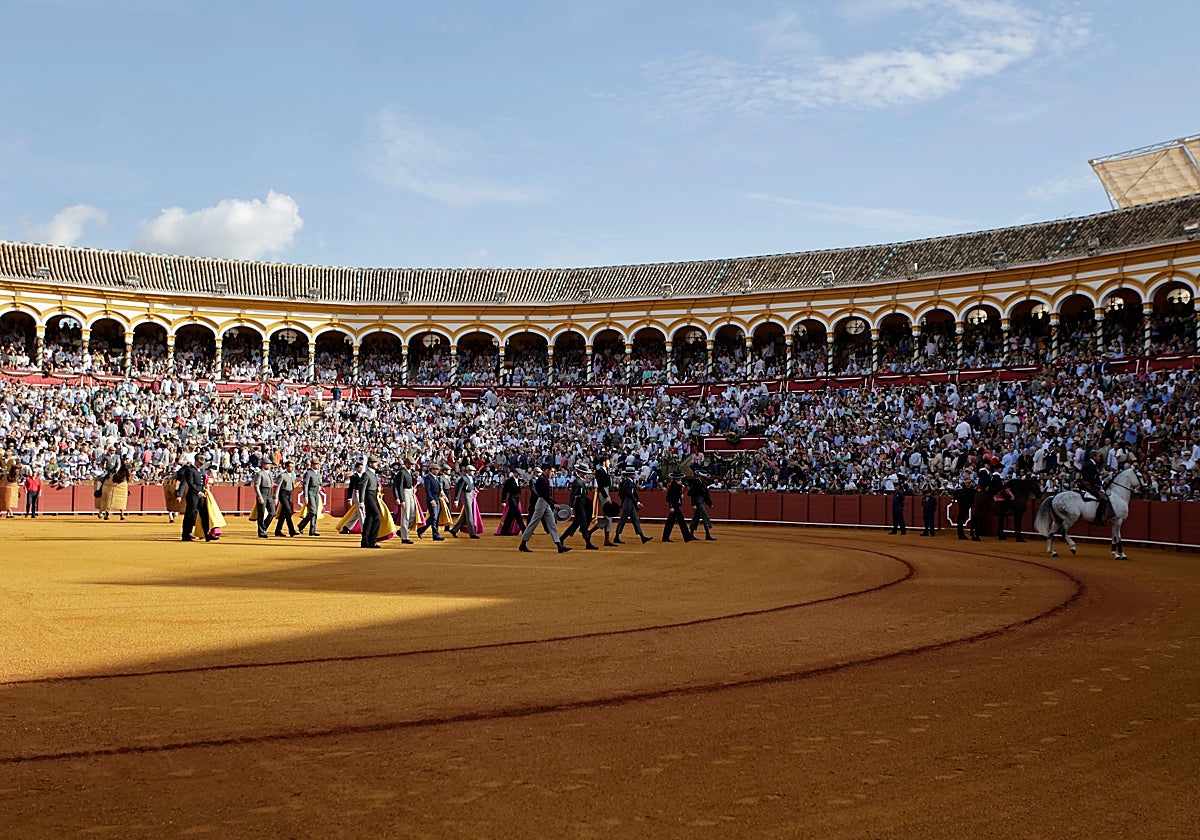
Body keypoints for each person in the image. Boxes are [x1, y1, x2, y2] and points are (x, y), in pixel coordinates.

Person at [519, 466, 570, 553]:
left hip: (544, 502)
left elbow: (546, 495)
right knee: (533, 523)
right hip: (542, 502)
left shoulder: (543, 478)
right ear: (547, 470)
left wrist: (552, 502)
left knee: (552, 523)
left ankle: (559, 545)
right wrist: (553, 503)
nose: (553, 474)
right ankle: (523, 544)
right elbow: (544, 495)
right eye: (552, 471)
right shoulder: (543, 479)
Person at [559, 464, 598, 549]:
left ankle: (561, 538)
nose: (585, 474)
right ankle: (588, 543)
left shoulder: (580, 481)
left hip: (582, 505)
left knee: (575, 525)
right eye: (584, 472)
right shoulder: (577, 482)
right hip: (580, 506)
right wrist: (571, 507)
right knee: (583, 525)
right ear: (579, 472)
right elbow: (572, 495)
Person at [174, 453, 211, 542]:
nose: (202, 464)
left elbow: (201, 482)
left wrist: (205, 487)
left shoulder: (200, 470)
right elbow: (190, 483)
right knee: (190, 514)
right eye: (200, 462)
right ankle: (186, 535)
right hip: (193, 495)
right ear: (196, 461)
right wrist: (198, 492)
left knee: (204, 514)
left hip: (201, 494)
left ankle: (207, 534)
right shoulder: (189, 470)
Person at [614, 466, 651, 545]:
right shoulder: (628, 483)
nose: (634, 474)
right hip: (628, 503)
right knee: (623, 520)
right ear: (630, 475)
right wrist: (637, 502)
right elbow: (630, 494)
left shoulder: (628, 482)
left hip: (629, 503)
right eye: (633, 473)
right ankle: (616, 537)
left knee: (635, 520)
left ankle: (642, 537)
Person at [448, 463, 480, 539]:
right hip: (466, 496)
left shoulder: (472, 478)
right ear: (468, 471)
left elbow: (473, 486)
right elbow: (458, 489)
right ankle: (472, 533)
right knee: (469, 515)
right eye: (472, 471)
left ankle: (454, 530)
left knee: (465, 515)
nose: (473, 472)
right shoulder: (463, 478)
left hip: (471, 495)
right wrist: (456, 499)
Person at [662, 471, 695, 542]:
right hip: (674, 506)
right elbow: (669, 497)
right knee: (681, 521)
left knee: (671, 522)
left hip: (675, 505)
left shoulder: (676, 485)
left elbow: (674, 496)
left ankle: (665, 537)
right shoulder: (674, 485)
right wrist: (671, 506)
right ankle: (687, 537)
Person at [416, 463, 445, 541]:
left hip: (437, 498)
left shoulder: (436, 478)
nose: (438, 471)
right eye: (436, 469)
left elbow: (439, 489)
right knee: (434, 517)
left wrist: (443, 496)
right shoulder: (428, 478)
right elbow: (427, 490)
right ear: (432, 470)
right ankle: (434, 534)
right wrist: (431, 500)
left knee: (435, 517)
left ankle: (426, 531)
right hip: (432, 499)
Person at [1081, 448, 1109, 526]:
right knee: (1103, 498)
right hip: (1089, 485)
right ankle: (1097, 518)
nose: (1099, 458)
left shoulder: (1090, 463)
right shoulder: (1090, 464)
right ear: (1094, 456)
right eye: (1098, 456)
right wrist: (1102, 482)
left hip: (1089, 484)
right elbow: (1091, 478)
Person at [393, 456, 417, 544]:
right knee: (406, 515)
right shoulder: (402, 473)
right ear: (406, 463)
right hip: (405, 493)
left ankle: (402, 531)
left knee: (413, 515)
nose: (412, 466)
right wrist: (401, 499)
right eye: (411, 464)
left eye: (413, 464)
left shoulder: (410, 472)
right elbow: (399, 486)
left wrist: (413, 488)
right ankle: (404, 537)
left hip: (410, 492)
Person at [592, 454, 615, 546]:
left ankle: (590, 532)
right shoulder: (599, 471)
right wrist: (606, 496)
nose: (609, 462)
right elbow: (601, 486)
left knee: (608, 517)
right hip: (603, 492)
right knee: (609, 515)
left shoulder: (604, 470)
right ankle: (606, 539)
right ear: (604, 462)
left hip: (606, 491)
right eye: (608, 461)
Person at [295, 458, 323, 536]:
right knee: (313, 511)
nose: (318, 466)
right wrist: (306, 496)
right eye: (316, 464)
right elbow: (305, 485)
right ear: (312, 465)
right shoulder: (308, 473)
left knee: (315, 512)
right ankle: (301, 525)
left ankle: (312, 530)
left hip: (316, 493)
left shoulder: (317, 473)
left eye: (318, 464)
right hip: (310, 492)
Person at [495, 467, 526, 535]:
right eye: (518, 474)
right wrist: (503, 500)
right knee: (517, 515)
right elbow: (504, 491)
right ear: (515, 473)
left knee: (510, 517)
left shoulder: (517, 480)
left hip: (516, 499)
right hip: (512, 499)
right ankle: (524, 529)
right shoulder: (509, 481)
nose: (520, 475)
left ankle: (504, 531)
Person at [360, 455, 382, 548]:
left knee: (370, 519)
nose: (376, 464)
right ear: (370, 464)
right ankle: (372, 541)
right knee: (377, 517)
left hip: (373, 497)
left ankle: (365, 541)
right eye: (375, 462)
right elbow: (362, 488)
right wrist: (361, 501)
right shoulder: (367, 474)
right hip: (369, 497)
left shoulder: (372, 474)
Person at [687, 472, 716, 541]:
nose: (705, 478)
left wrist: (709, 503)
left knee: (696, 518)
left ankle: (691, 535)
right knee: (705, 516)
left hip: (700, 501)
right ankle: (707, 535)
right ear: (700, 477)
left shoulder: (702, 483)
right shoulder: (696, 483)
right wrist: (693, 504)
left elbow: (705, 495)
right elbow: (692, 494)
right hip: (698, 502)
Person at [251, 457, 276, 539]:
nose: (269, 466)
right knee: (261, 513)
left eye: (269, 464)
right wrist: (259, 496)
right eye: (267, 464)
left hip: (269, 493)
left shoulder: (270, 473)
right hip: (262, 493)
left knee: (272, 512)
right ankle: (261, 531)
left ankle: (263, 527)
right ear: (263, 464)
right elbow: (256, 485)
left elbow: (271, 484)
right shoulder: (260, 473)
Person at [274, 459, 298, 537]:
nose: (292, 468)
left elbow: (293, 484)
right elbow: (277, 487)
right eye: (290, 467)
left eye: (292, 467)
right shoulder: (282, 475)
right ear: (286, 467)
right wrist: (276, 497)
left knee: (283, 514)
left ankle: (278, 530)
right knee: (288, 512)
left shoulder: (293, 475)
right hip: (283, 494)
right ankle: (291, 530)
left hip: (289, 493)